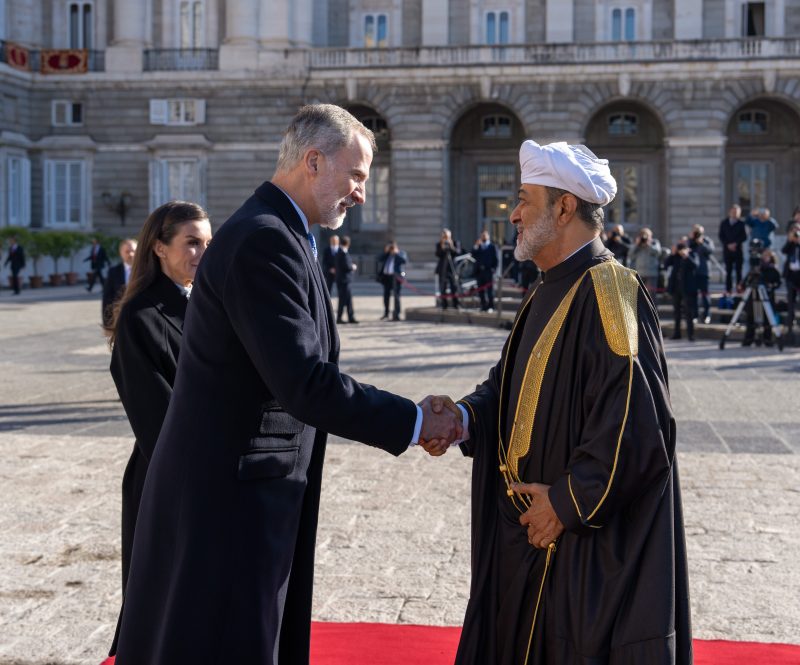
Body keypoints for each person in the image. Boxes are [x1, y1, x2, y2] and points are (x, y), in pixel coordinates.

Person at [113, 104, 462, 665]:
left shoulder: (283, 232)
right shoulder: (264, 239)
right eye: (356, 176)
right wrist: (417, 421)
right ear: (314, 160)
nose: (361, 194)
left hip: (247, 493)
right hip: (228, 502)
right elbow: (303, 381)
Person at [430, 139, 691, 664]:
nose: (515, 212)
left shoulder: (613, 291)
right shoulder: (547, 288)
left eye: (525, 199)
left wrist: (567, 504)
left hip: (576, 551)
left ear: (565, 207)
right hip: (525, 542)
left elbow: (636, 424)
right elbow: (506, 388)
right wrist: (461, 419)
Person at [105, 202, 212, 655]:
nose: (201, 254)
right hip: (168, 478)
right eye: (191, 242)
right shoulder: (141, 316)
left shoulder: (208, 304)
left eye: (208, 243)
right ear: (159, 247)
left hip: (210, 471)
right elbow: (158, 419)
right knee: (161, 609)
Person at [742, 248, 782, 347]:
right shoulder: (756, 269)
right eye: (763, 256)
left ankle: (767, 339)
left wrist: (770, 286)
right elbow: (746, 282)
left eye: (767, 256)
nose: (765, 258)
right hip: (754, 297)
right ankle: (749, 338)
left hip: (767, 297)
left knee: (767, 319)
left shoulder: (773, 270)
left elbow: (778, 283)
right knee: (750, 318)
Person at [665, 239, 700, 341]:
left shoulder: (692, 254)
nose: (681, 251)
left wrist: (686, 256)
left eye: (683, 248)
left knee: (689, 312)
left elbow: (695, 265)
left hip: (687, 288)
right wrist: (672, 253)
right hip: (676, 287)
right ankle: (677, 333)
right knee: (676, 312)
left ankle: (690, 335)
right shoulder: (675, 256)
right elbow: (666, 264)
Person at [102, 238, 137, 327]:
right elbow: (107, 299)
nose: (131, 254)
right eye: (127, 251)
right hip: (121, 322)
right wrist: (108, 324)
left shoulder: (147, 271)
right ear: (121, 253)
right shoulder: (113, 272)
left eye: (133, 251)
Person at [718, 204, 747, 294]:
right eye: (733, 212)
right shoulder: (724, 223)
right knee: (728, 271)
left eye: (737, 212)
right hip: (727, 251)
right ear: (730, 212)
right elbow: (721, 235)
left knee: (739, 271)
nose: (734, 214)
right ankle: (728, 289)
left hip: (738, 250)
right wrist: (728, 244)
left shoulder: (741, 223)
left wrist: (736, 243)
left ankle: (739, 288)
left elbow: (744, 236)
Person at [688, 224, 714, 324]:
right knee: (693, 295)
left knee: (705, 295)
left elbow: (710, 251)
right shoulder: (690, 241)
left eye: (699, 232)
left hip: (704, 272)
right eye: (696, 231)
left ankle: (707, 315)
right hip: (693, 272)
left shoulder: (706, 240)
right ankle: (695, 315)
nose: (697, 234)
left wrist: (702, 243)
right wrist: (691, 240)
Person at [377, 240, 407, 321]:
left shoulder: (401, 253)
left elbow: (404, 260)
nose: (391, 249)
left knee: (396, 296)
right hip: (387, 278)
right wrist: (386, 252)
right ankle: (386, 313)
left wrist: (396, 253)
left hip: (396, 278)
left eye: (392, 247)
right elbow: (379, 259)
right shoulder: (387, 255)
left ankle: (397, 314)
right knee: (386, 296)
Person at [781, 226, 800, 344]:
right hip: (791, 277)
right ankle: (789, 328)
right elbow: (784, 251)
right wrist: (790, 240)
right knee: (790, 304)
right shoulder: (791, 244)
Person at [471, 230, 499, 312]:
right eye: (482, 236)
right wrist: (476, 245)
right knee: (481, 290)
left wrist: (494, 269)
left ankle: (491, 306)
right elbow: (473, 254)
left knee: (490, 291)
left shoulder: (492, 247)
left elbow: (496, 259)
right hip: (479, 272)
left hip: (488, 271)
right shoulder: (479, 246)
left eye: (485, 235)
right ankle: (483, 305)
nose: (483, 237)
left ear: (488, 236)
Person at [629, 226, 662, 293]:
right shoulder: (638, 245)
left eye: (647, 235)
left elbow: (658, 252)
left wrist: (648, 244)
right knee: (641, 295)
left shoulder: (654, 242)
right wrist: (637, 244)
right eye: (643, 235)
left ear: (651, 236)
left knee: (651, 295)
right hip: (640, 273)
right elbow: (630, 255)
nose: (644, 237)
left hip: (651, 273)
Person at [334, 234, 358, 324]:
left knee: (348, 299)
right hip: (344, 280)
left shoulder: (341, 251)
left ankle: (351, 317)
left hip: (344, 280)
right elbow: (346, 266)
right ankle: (339, 317)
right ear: (348, 243)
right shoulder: (342, 252)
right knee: (343, 299)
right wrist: (353, 267)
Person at [435, 228, 460, 309]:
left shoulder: (455, 243)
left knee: (454, 287)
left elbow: (457, 252)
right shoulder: (439, 244)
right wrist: (442, 245)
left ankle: (456, 304)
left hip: (452, 269)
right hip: (443, 269)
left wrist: (451, 245)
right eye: (444, 236)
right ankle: (444, 305)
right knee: (443, 288)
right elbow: (438, 254)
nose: (446, 237)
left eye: (447, 236)